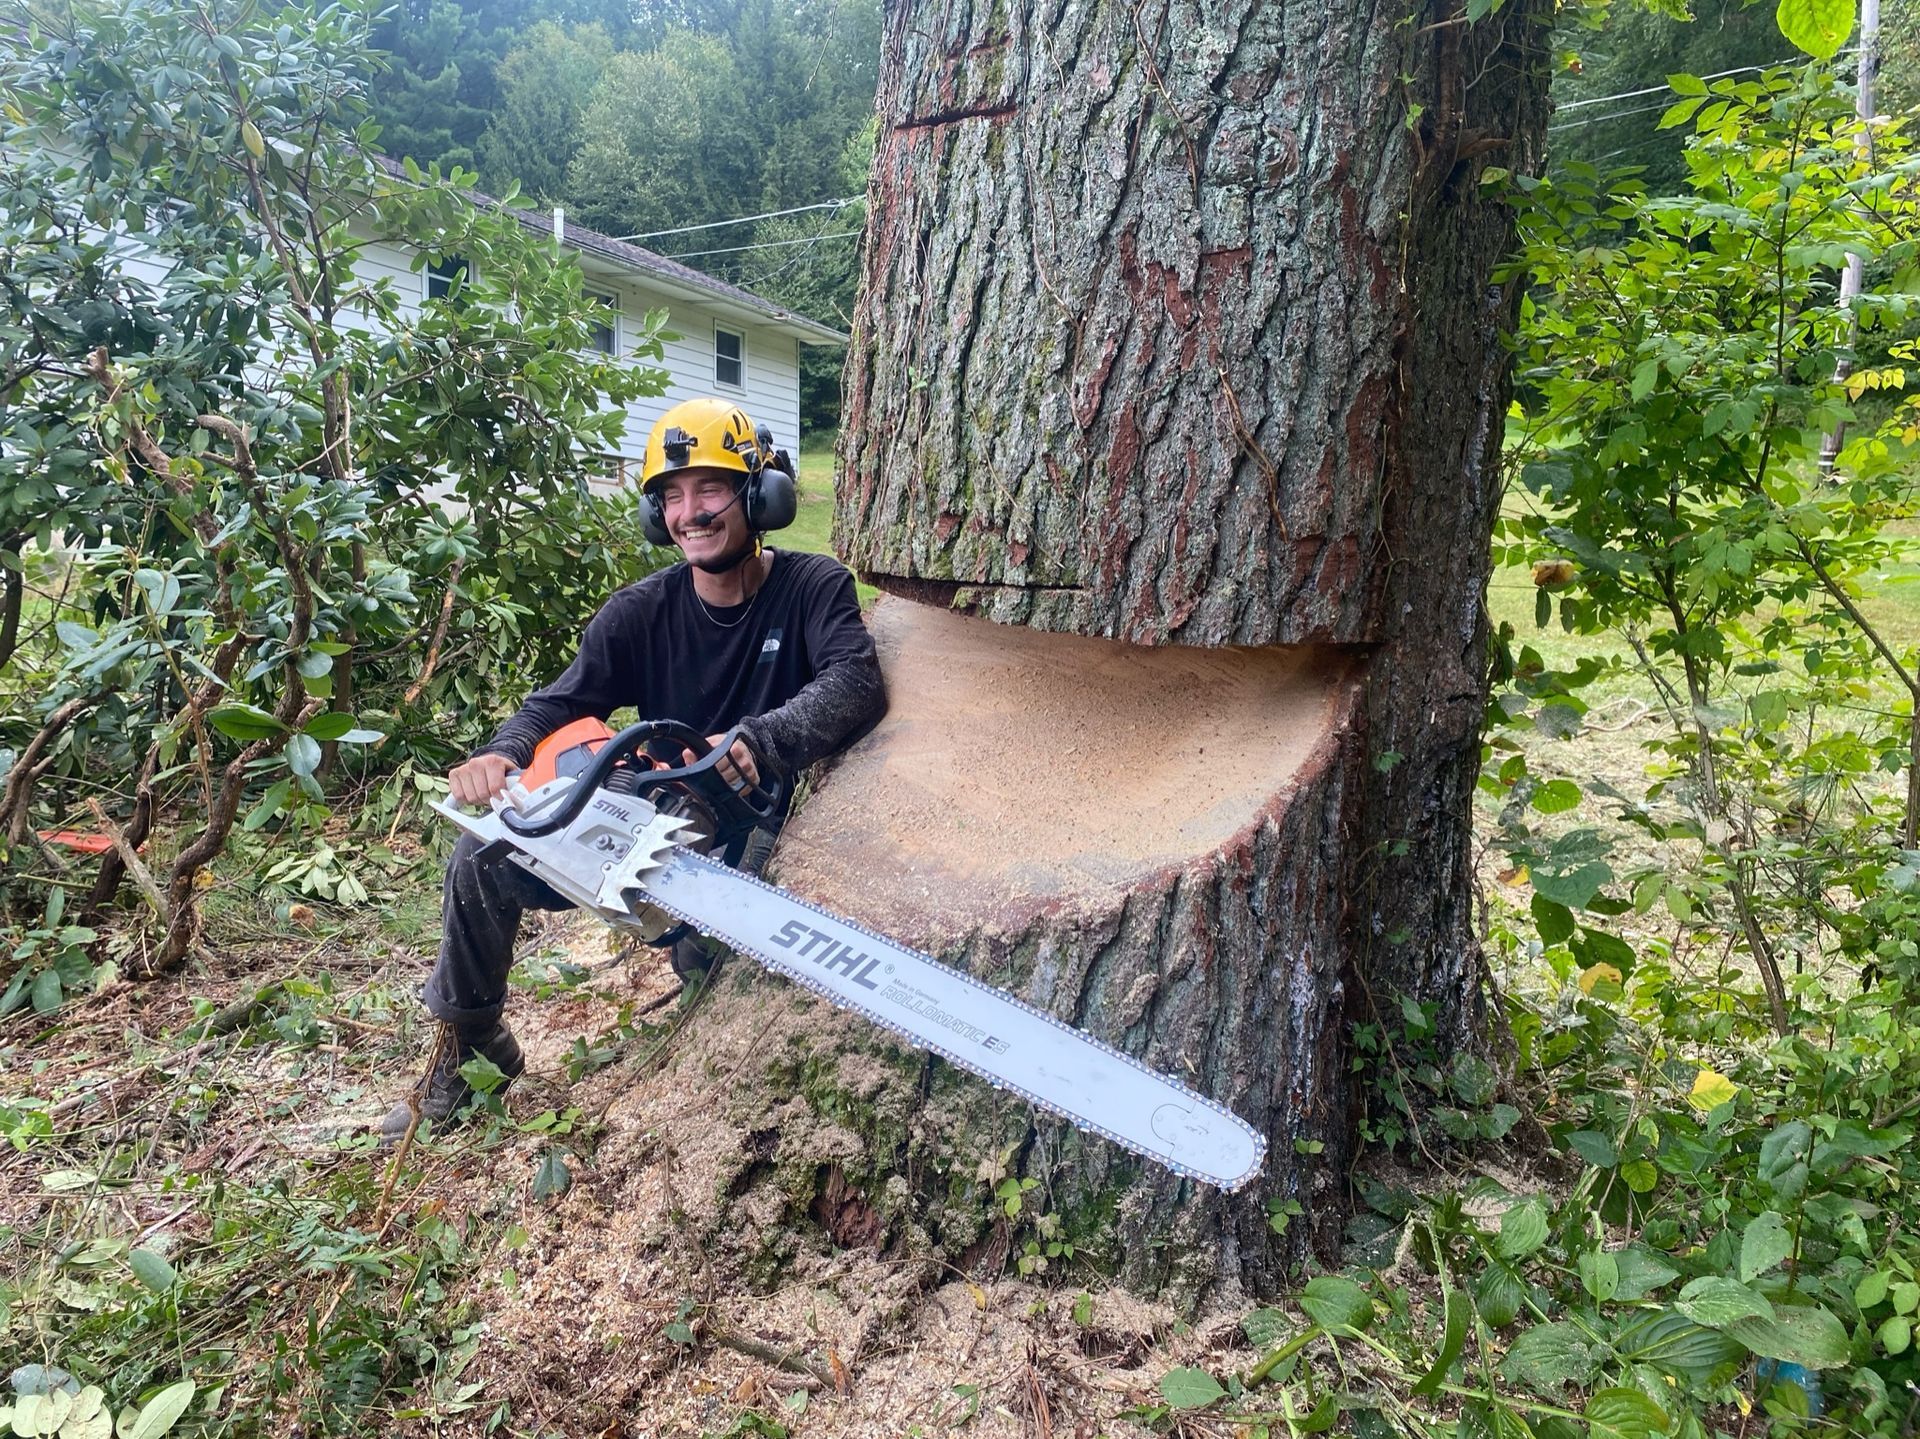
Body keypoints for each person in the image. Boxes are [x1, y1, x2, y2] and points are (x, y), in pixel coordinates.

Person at [379, 397, 887, 1142]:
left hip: (767, 825)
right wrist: (503, 752)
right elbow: (557, 702)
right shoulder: (639, 610)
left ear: (760, 493)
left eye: (710, 489)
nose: (691, 513)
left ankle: (700, 971)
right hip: (659, 820)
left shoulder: (813, 586)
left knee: (714, 969)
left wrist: (759, 738)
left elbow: (855, 680)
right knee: (482, 854)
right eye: (672, 497)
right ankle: (471, 1043)